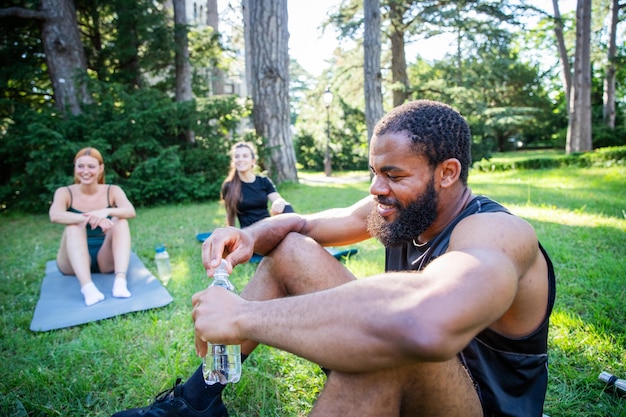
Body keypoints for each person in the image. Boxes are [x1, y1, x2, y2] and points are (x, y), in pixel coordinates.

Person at [113, 100, 555, 417]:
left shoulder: (498, 233)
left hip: (475, 404)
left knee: (389, 347)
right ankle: (196, 401)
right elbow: (302, 226)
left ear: (448, 173)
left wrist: (243, 318)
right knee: (291, 250)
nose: (376, 189)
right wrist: (247, 235)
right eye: (374, 172)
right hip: (421, 364)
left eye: (393, 174)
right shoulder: (403, 209)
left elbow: (420, 325)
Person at [49, 147, 136, 306]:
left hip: (105, 257)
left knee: (121, 220)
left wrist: (105, 211)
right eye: (80, 166)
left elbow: (130, 211)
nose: (85, 171)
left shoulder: (113, 190)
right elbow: (55, 215)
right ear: (75, 168)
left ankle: (120, 282)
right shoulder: (64, 192)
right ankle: (87, 288)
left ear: (101, 169)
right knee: (74, 226)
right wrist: (88, 218)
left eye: (91, 166)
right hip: (72, 260)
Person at [221, 141, 293, 228]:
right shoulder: (229, 186)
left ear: (253, 161)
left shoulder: (263, 181)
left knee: (287, 206)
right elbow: (230, 216)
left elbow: (278, 199)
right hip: (249, 233)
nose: (240, 159)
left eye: (245, 156)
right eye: (237, 156)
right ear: (233, 161)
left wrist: (279, 202)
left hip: (268, 227)